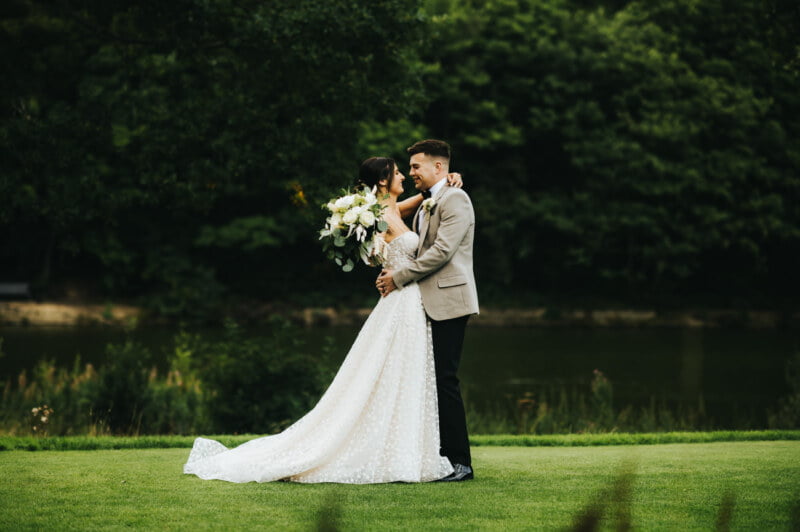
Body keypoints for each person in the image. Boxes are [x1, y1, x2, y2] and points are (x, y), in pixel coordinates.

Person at [183, 157, 463, 484]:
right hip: (402, 300)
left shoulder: (391, 208)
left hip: (410, 301)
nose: (405, 176)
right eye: (399, 172)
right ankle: (391, 451)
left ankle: (407, 448)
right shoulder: (376, 214)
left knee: (405, 373)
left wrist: (450, 178)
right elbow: (383, 247)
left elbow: (430, 197)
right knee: (392, 372)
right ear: (384, 180)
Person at [377, 139, 478, 482]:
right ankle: (438, 458)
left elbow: (443, 252)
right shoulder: (426, 204)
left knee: (446, 381)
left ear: (439, 167)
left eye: (416, 166)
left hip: (450, 301)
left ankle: (461, 464)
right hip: (424, 302)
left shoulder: (456, 199)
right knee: (430, 381)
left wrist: (400, 277)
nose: (411, 172)